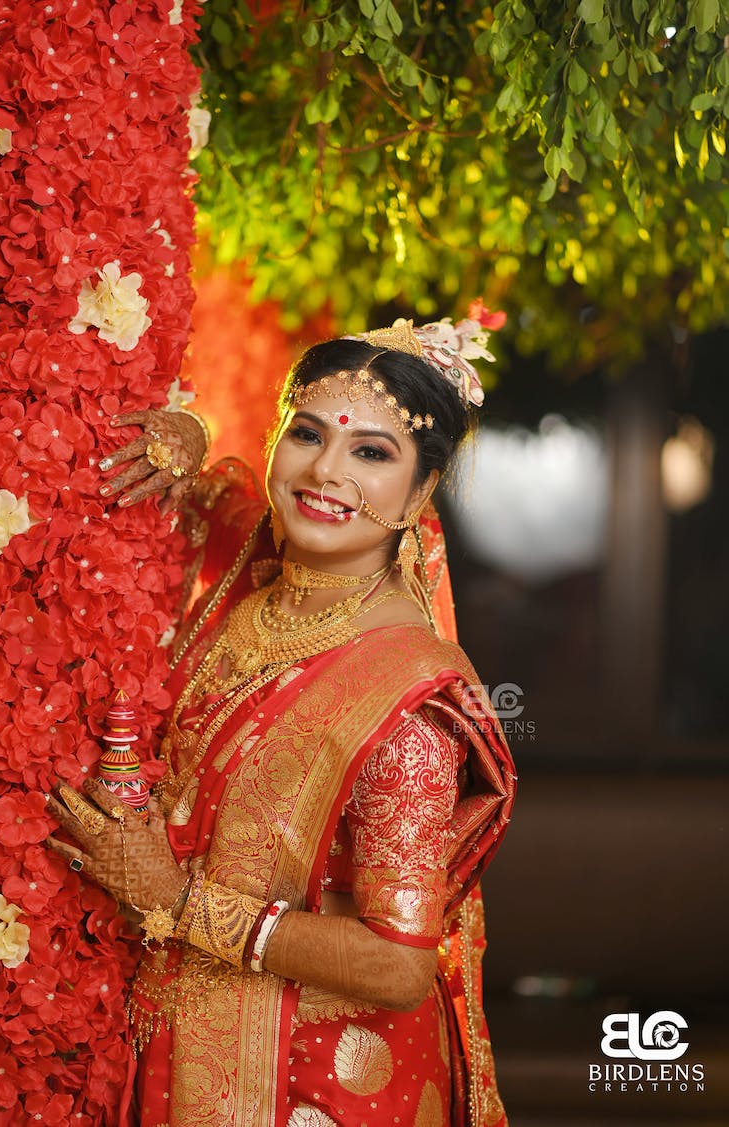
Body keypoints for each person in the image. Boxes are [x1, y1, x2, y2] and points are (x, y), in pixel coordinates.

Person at [47, 316, 517, 1127]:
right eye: (305, 433)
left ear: (420, 495)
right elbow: (209, 491)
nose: (325, 470)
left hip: (311, 1084)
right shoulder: (262, 581)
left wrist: (177, 900)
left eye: (372, 452)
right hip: (171, 1048)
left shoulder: (406, 701)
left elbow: (400, 963)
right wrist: (183, 435)